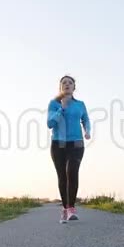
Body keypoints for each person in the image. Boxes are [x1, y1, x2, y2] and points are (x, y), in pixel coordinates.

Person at [47, 75, 91, 223]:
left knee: (72, 172)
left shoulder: (80, 104)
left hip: (76, 143)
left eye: (70, 83)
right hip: (58, 143)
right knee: (62, 176)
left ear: (74, 87)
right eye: (64, 83)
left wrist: (87, 130)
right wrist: (62, 108)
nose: (67, 84)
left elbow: (86, 119)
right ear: (60, 87)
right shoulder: (54, 104)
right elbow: (50, 123)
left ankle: (71, 208)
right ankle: (65, 210)